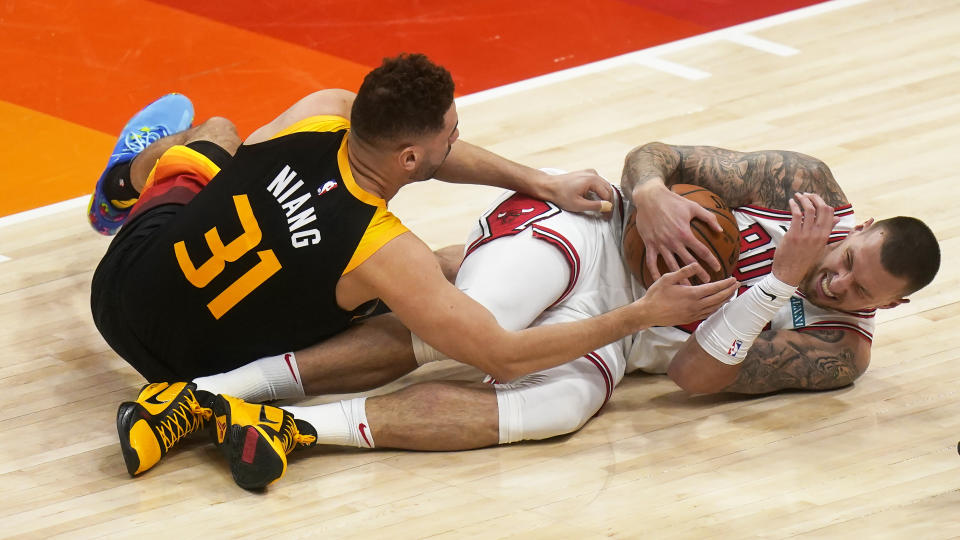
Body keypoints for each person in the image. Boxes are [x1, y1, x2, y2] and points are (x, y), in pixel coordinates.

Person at [142, 142, 938, 490]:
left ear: (888, 308)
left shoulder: (839, 352)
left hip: (629, 337)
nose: (836, 282)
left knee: (556, 409)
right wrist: (655, 196)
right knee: (471, 322)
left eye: (859, 290)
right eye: (844, 260)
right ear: (859, 229)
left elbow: (696, 378)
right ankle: (214, 387)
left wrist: (778, 287)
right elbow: (656, 155)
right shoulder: (801, 181)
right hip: (593, 234)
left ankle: (296, 432)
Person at [94, 56, 736, 486]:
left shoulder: (323, 110)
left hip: (122, 284)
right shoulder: (384, 250)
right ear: (409, 156)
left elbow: (426, 156)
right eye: (449, 136)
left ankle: (125, 182)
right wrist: (639, 315)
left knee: (217, 132)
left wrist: (537, 180)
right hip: (190, 364)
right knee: (429, 290)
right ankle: (237, 391)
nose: (456, 142)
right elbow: (506, 358)